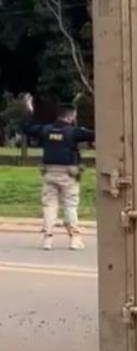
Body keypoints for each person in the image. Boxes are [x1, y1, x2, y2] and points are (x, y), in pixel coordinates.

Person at [22, 106, 94, 251]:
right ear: (70, 117)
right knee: (70, 206)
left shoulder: (45, 130)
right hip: (69, 175)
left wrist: (28, 111)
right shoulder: (74, 132)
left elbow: (27, 128)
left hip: (48, 173)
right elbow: (94, 135)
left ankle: (47, 240)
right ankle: (74, 239)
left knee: (49, 206)